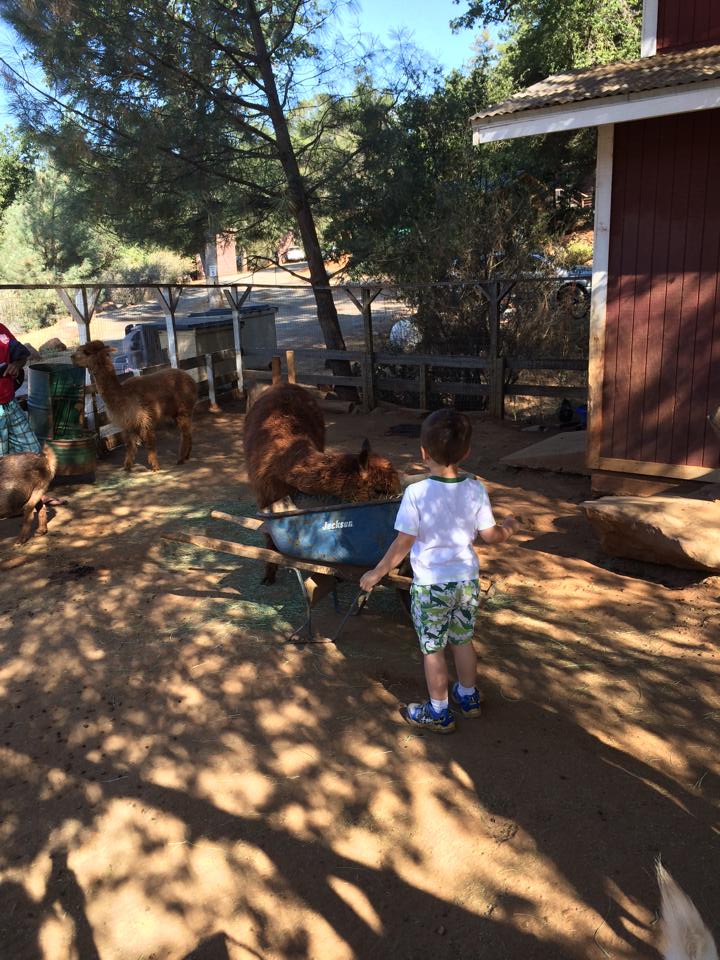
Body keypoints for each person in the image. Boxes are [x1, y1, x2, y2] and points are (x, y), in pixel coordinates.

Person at [359, 408, 519, 734]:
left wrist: (376, 573)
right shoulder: (475, 489)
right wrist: (507, 528)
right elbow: (490, 536)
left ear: (423, 453)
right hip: (466, 582)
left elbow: (403, 543)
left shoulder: (416, 494)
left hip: (432, 586)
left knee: (432, 649)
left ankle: (439, 712)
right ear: (467, 452)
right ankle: (469, 697)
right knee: (463, 641)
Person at [0, 323, 41, 457]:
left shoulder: (1, 329)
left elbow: (22, 355)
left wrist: (16, 365)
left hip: (10, 403)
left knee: (33, 453)